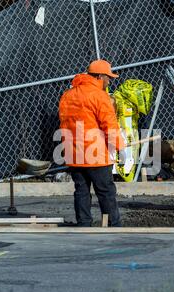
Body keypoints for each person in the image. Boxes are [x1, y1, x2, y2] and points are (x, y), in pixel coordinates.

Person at [58, 59, 125, 227]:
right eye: (108, 78)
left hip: (74, 154)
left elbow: (64, 123)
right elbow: (109, 125)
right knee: (106, 191)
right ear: (100, 76)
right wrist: (120, 147)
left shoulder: (68, 95)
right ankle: (113, 225)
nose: (109, 81)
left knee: (81, 190)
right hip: (96, 155)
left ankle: (84, 224)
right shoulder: (99, 96)